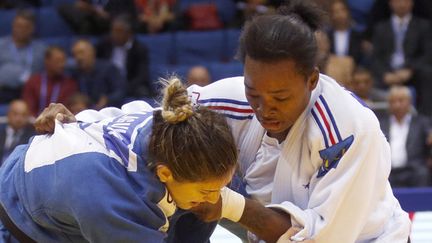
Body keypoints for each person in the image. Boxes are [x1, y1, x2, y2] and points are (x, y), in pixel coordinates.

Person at [34, 1, 412, 242]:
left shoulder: (348, 129)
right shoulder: (233, 98)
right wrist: (81, 122)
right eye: (255, 94)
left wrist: (227, 205)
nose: (265, 109)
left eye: (280, 97)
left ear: (311, 80)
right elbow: (162, 117)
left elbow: (322, 238)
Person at [0, 77, 240, 242]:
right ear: (165, 173)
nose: (214, 197)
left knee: (197, 208)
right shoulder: (113, 201)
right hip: (21, 220)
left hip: (67, 181)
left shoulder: (172, 124)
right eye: (208, 190)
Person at [378, 86, 431, 187]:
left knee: (423, 173)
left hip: (414, 169)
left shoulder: (421, 122)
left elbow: (429, 134)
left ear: (409, 102)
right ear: (389, 104)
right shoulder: (381, 124)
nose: (397, 105)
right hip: (389, 170)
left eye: (401, 101)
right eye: (393, 101)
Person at [96, 14, 152, 99]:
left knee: (142, 91)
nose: (115, 35)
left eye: (119, 31)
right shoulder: (104, 44)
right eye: (113, 31)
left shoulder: (139, 49)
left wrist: (124, 88)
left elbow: (142, 75)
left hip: (130, 84)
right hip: (109, 84)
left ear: (129, 33)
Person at [0, 10, 46, 104]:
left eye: (25, 27)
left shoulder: (41, 49)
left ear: (32, 29)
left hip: (32, 92)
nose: (20, 30)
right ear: (13, 26)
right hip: (4, 90)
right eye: (18, 26)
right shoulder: (1, 45)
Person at [22, 46, 78, 117]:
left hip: (61, 124)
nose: (62, 65)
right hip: (34, 124)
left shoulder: (70, 84)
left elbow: (70, 109)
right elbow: (28, 108)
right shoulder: (33, 82)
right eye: (58, 61)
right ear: (47, 61)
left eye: (63, 61)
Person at [70, 39, 126, 109]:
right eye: (75, 55)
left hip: (108, 110)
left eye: (81, 52)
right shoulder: (75, 74)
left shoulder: (109, 68)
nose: (78, 57)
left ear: (92, 52)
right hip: (85, 112)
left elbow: (120, 91)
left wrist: (107, 99)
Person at [0, 99, 34, 165]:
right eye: (15, 114)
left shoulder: (32, 139)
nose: (19, 119)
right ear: (8, 114)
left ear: (28, 117)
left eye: (23, 115)